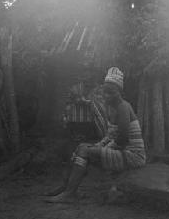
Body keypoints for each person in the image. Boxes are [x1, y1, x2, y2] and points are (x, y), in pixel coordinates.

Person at [45, 67, 146, 203]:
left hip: (132, 155)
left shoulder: (123, 107)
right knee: (82, 147)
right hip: (122, 152)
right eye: (105, 92)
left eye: (111, 93)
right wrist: (98, 145)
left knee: (85, 151)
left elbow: (122, 140)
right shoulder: (114, 108)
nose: (106, 96)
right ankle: (67, 188)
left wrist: (102, 148)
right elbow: (110, 136)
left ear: (119, 92)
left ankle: (69, 193)